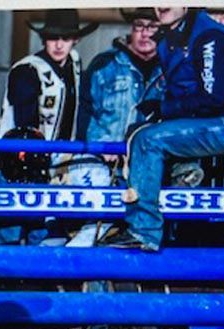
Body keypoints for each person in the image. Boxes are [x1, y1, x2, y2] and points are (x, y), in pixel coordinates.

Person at [98, 8, 224, 251]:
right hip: (210, 121)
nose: (163, 5)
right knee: (140, 132)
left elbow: (213, 99)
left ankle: (143, 229)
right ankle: (184, 169)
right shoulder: (172, 36)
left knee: (147, 140)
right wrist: (163, 109)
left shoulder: (209, 36)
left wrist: (164, 108)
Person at [0, 8, 97, 245]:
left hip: (55, 164)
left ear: (75, 39)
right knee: (11, 231)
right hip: (18, 163)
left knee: (43, 234)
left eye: (66, 38)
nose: (59, 45)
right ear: (44, 39)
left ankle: (34, 281)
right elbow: (25, 122)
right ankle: (5, 281)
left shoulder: (74, 64)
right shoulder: (27, 70)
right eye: (53, 38)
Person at [68, 7, 164, 247]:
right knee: (99, 222)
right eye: (139, 26)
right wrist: (100, 147)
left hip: (147, 166)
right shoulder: (104, 65)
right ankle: (72, 269)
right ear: (131, 29)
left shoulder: (170, 70)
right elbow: (85, 114)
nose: (145, 33)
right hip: (102, 164)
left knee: (138, 227)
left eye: (152, 27)